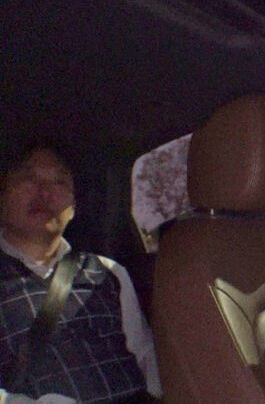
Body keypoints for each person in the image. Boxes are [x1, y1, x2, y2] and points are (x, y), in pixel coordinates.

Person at [0, 138, 162, 403]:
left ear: (73, 207)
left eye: (59, 182)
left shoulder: (108, 272)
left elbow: (148, 362)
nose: (45, 192)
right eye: (28, 179)